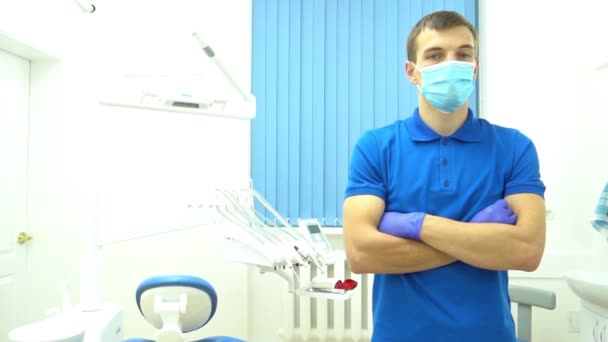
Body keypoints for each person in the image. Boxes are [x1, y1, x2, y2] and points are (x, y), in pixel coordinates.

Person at [342, 10, 546, 342]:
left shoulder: (514, 147)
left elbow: (526, 251)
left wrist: (416, 224)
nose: (451, 64)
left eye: (463, 55)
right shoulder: (376, 147)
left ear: (475, 68)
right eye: (435, 56)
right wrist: (478, 236)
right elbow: (362, 254)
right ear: (412, 72)